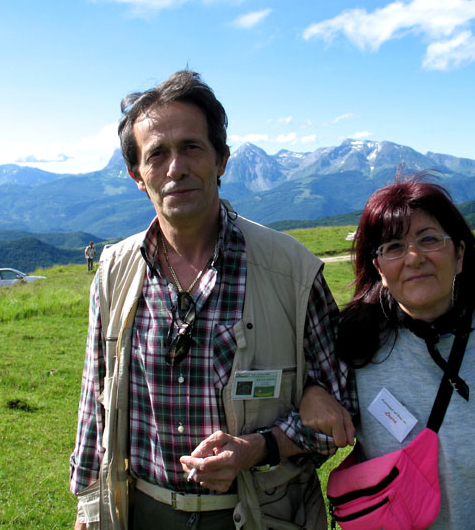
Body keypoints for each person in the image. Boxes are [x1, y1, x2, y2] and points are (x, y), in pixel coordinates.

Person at [69, 70, 353, 530]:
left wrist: (259, 448)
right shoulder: (114, 272)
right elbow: (94, 406)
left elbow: (343, 410)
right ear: (137, 175)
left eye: (191, 148)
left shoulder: (292, 271)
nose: (175, 168)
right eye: (157, 154)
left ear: (221, 160)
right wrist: (87, 508)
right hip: (143, 513)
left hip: (263, 515)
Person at [302, 176, 475, 529]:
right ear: (379, 268)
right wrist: (309, 391)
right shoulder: (358, 347)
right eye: (394, 246)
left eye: (429, 239)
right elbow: (300, 419)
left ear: (460, 254)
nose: (414, 258)